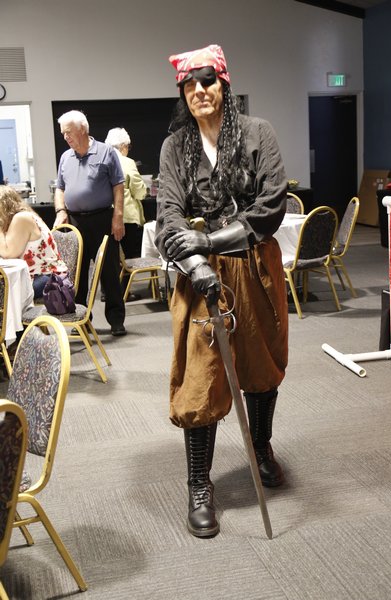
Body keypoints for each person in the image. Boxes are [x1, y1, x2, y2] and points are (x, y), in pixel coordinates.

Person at [155, 45, 288, 538]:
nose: (199, 91)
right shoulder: (175, 147)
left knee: (262, 365)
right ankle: (198, 484)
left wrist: (210, 241)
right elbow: (168, 216)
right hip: (200, 277)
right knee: (201, 378)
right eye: (189, 85)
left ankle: (261, 447)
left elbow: (271, 205)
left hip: (255, 266)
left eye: (207, 81)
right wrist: (196, 262)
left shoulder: (258, 132)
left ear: (224, 83)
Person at [54, 110, 127, 336]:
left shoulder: (106, 152)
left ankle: (116, 320)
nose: (65, 137)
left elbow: (118, 185)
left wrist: (118, 216)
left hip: (103, 218)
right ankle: (81, 321)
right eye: (63, 133)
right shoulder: (66, 157)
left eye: (68, 132)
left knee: (109, 272)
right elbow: (60, 188)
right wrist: (60, 210)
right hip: (75, 222)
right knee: (77, 274)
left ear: (83, 129)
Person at [0, 185, 68, 298]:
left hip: (48, 280)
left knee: (4, 294)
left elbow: (8, 254)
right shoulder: (23, 216)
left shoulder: (22, 218)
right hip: (40, 276)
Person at [104, 127, 147, 301]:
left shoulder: (103, 160)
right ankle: (123, 292)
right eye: (128, 146)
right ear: (123, 146)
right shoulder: (127, 162)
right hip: (127, 215)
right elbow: (139, 191)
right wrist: (143, 191)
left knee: (109, 256)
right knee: (129, 256)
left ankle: (106, 292)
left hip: (106, 214)